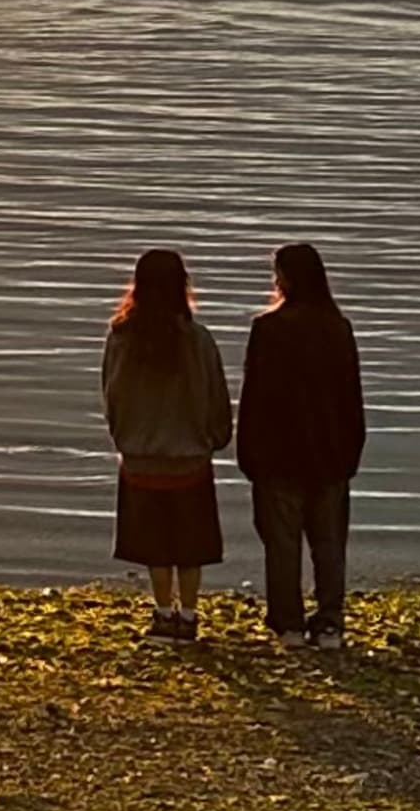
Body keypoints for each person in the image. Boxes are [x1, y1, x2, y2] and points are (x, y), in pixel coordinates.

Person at [236, 241, 366, 650]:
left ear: (285, 278)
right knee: (329, 545)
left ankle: (288, 623)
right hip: (330, 454)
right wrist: (351, 452)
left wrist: (248, 455)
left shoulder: (268, 329)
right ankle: (330, 623)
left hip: (278, 455)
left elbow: (254, 397)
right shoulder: (338, 328)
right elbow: (351, 398)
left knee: (282, 544)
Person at [101, 248, 233, 641]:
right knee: (190, 543)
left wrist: (124, 438)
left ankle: (161, 612)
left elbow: (112, 395)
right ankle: (189, 615)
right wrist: (215, 437)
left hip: (141, 457)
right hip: (189, 457)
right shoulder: (198, 339)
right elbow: (216, 397)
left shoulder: (122, 337)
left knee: (156, 543)